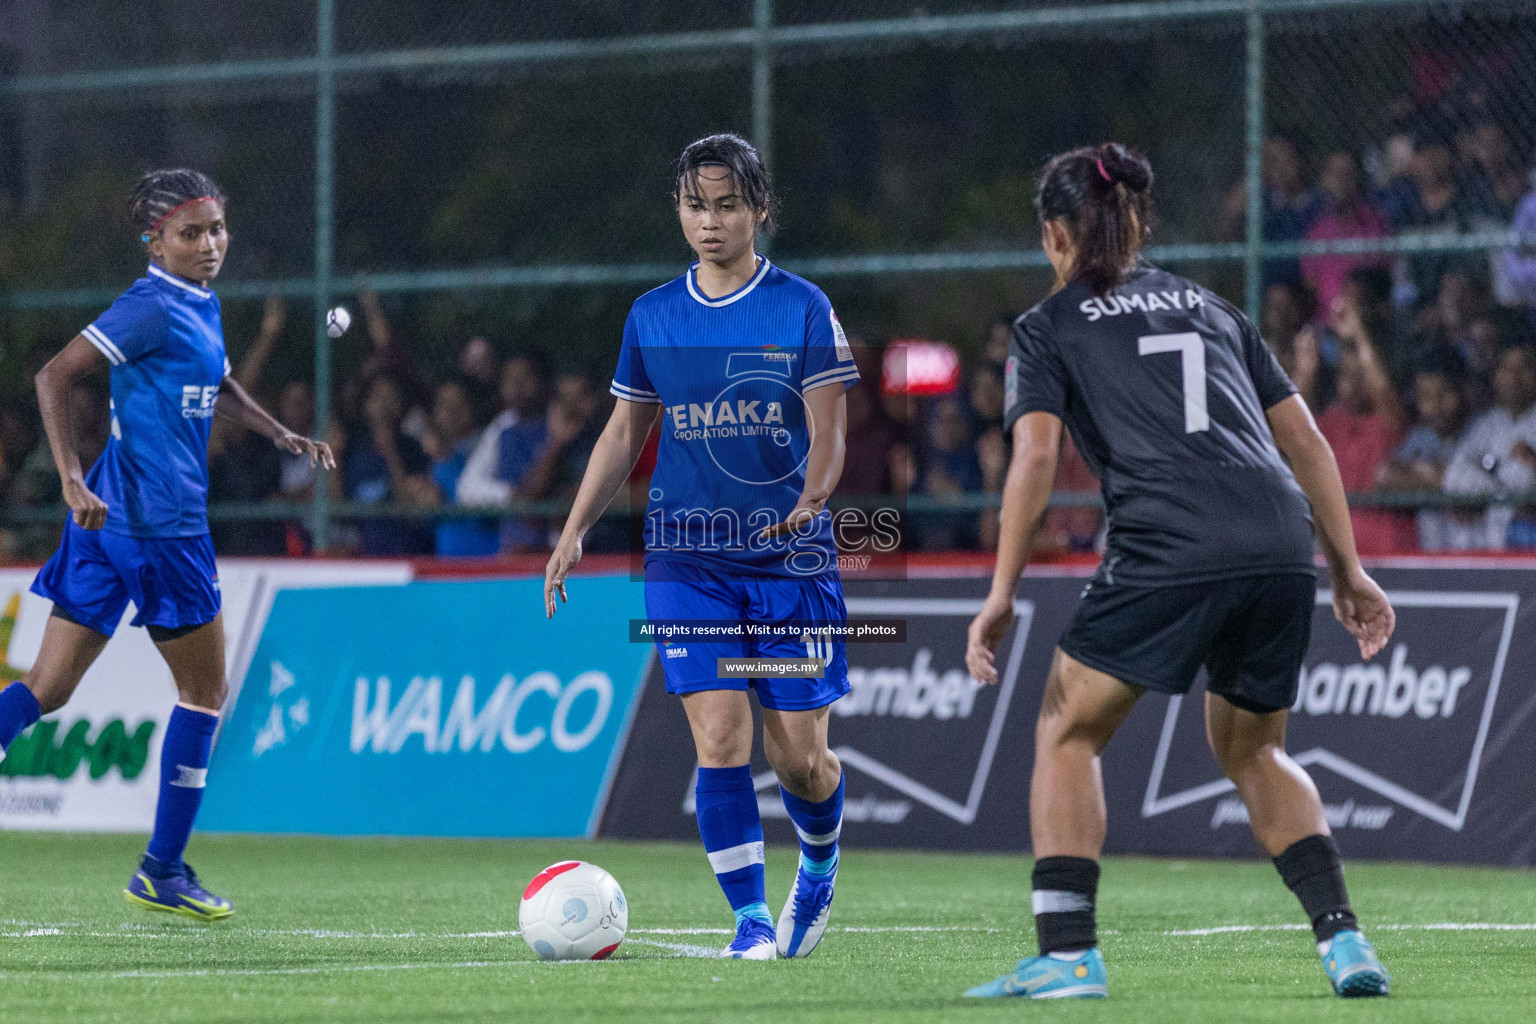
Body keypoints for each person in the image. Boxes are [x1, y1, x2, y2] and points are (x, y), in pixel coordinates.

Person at [963, 144, 1394, 1000]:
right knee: (1256, 749)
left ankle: (1069, 954)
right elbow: (1302, 440)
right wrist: (1347, 568)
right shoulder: (1212, 306)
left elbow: (1036, 457)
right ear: (1138, 220)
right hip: (1278, 539)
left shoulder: (1047, 326)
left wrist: (1002, 592)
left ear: (1053, 232)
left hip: (1170, 540)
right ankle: (1344, 942)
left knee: (1066, 726)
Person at [543, 133, 859, 961]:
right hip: (688, 561)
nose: (710, 222)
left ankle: (820, 862)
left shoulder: (801, 306)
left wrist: (813, 495)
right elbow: (623, 430)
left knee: (801, 763)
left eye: (726, 205)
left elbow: (830, 429)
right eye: (694, 206)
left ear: (759, 209)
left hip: (792, 565)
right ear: (678, 211)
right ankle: (751, 922)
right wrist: (574, 527)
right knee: (720, 740)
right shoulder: (653, 315)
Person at [0, 170, 333, 918]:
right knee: (204, 694)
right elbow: (53, 376)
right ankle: (162, 868)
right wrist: (68, 475)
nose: (210, 244)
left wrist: (274, 428)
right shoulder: (149, 304)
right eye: (192, 232)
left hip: (107, 527)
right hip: (158, 529)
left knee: (45, 691)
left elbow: (213, 381)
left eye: (217, 229)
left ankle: (164, 865)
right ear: (153, 240)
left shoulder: (197, 301)